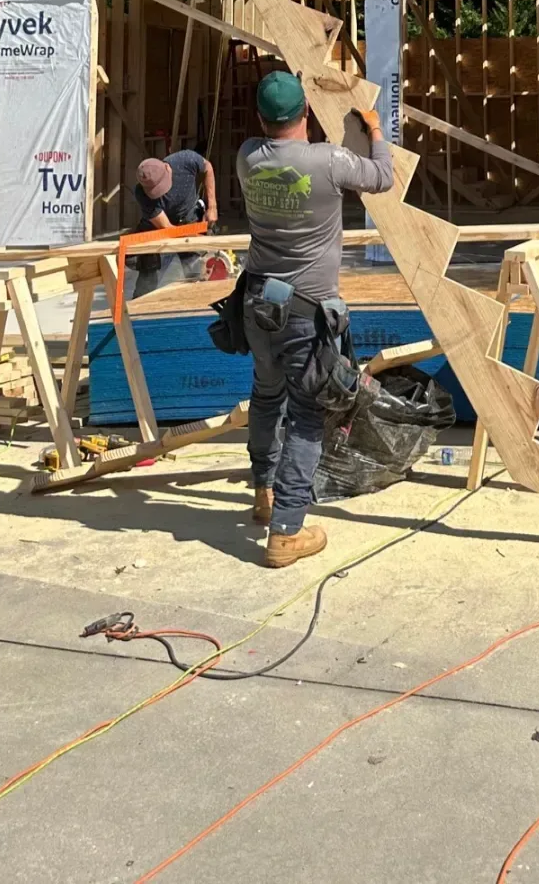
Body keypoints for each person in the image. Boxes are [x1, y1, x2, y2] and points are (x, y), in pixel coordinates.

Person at [237, 71, 393, 569]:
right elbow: (382, 177)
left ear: (260, 119)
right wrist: (374, 130)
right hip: (306, 312)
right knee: (306, 414)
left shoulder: (247, 157)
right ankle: (286, 529)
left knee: (266, 396)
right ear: (305, 112)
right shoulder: (329, 162)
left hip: (258, 303)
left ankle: (264, 493)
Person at [132, 148, 218, 296]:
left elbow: (207, 168)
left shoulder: (185, 160)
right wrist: (201, 240)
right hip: (158, 229)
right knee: (148, 282)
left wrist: (212, 206)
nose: (162, 193)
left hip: (188, 216)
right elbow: (168, 229)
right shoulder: (141, 193)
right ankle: (136, 313)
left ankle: (197, 305)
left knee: (196, 272)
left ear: (167, 168)